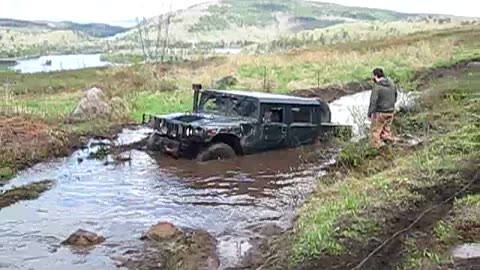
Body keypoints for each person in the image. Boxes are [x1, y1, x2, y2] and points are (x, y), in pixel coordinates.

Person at [368, 68, 398, 148]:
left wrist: (370, 113)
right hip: (390, 112)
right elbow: (395, 97)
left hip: (380, 113)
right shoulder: (392, 84)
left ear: (375, 76)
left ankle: (377, 151)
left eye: (373, 76)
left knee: (375, 133)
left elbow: (373, 101)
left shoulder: (377, 87)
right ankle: (390, 147)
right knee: (386, 132)